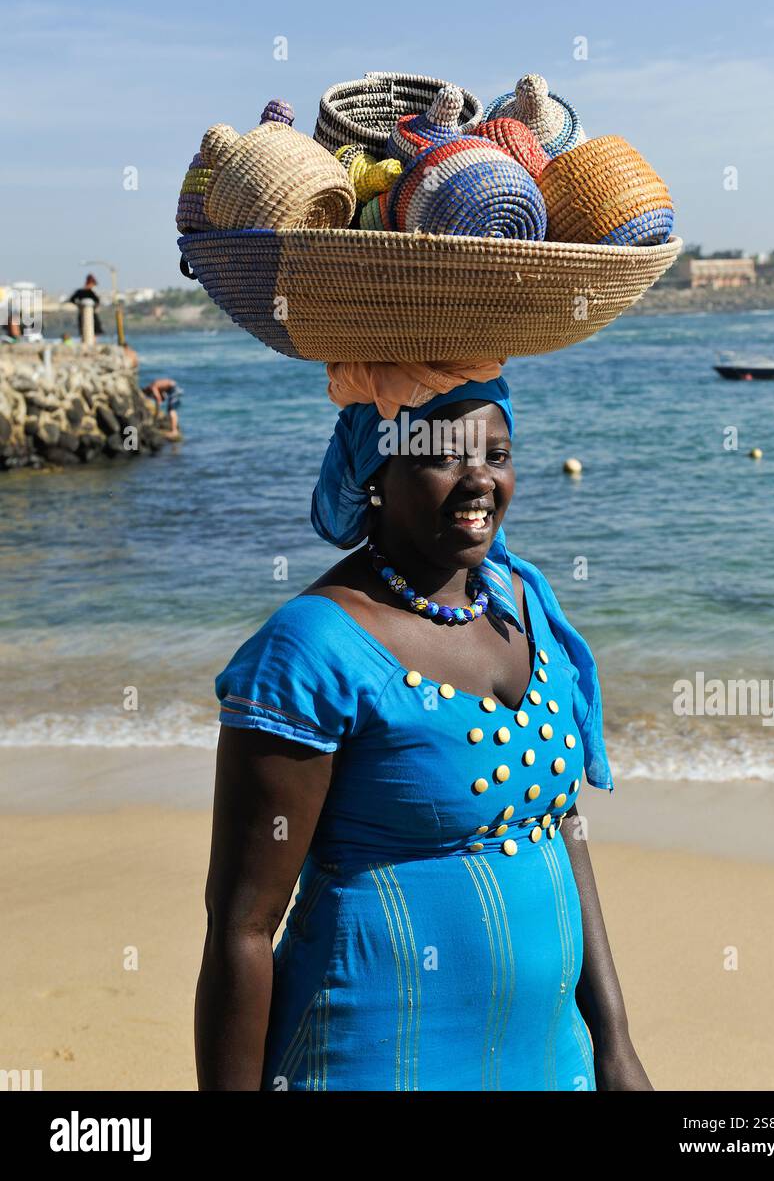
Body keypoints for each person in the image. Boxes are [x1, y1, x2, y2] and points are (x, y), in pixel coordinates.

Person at [195, 374, 652, 1092]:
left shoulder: (524, 602)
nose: (479, 481)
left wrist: (616, 1047)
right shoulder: (312, 648)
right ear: (377, 474)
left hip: (550, 1061)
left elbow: (563, 829)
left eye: (498, 457)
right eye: (444, 457)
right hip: (369, 1063)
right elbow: (241, 929)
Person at [67, 274, 103, 338]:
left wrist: (78, 305)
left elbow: (72, 299)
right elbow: (97, 301)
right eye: (93, 284)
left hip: (85, 313)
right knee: (91, 332)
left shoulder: (80, 291)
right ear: (90, 283)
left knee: (85, 331)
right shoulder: (90, 292)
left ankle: (89, 344)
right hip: (89, 314)